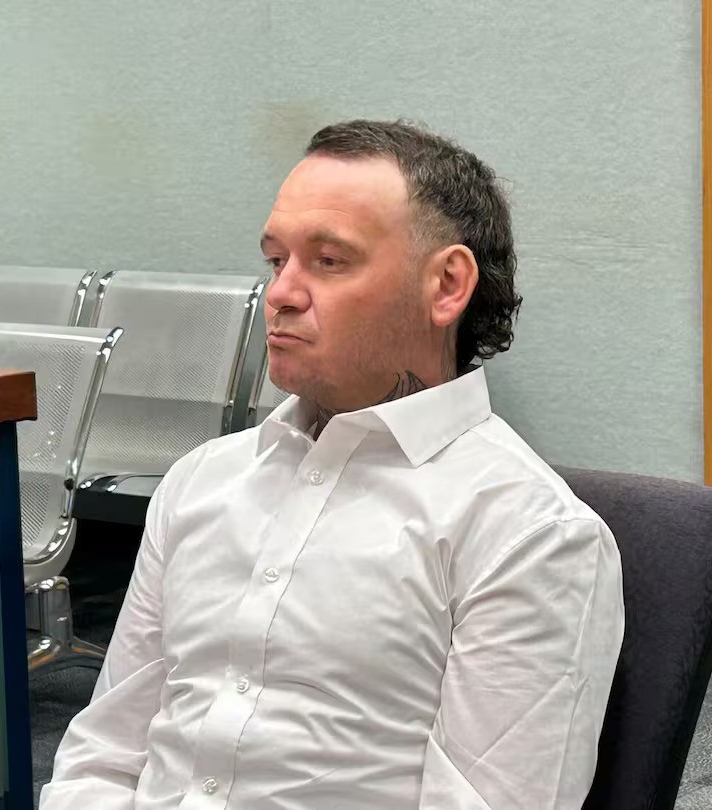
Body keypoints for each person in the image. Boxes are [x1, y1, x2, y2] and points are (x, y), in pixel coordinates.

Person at [41, 120, 624, 809]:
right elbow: (102, 756)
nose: (280, 294)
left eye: (329, 261)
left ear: (446, 286)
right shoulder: (202, 481)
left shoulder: (529, 532)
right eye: (275, 261)